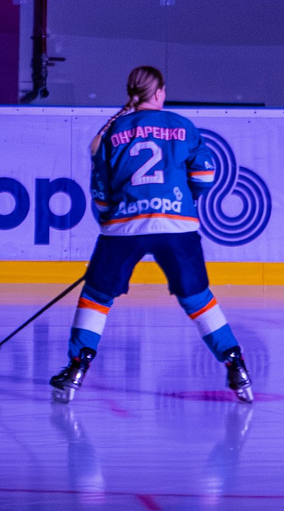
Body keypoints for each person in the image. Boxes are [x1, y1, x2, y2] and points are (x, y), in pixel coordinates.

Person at [51, 64, 253, 405]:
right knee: (197, 298)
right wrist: (184, 201)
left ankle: (76, 367)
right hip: (177, 225)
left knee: (97, 296)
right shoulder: (182, 125)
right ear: (158, 93)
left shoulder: (112, 132)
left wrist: (110, 227)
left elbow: (100, 193)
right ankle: (236, 364)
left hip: (124, 227)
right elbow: (205, 173)